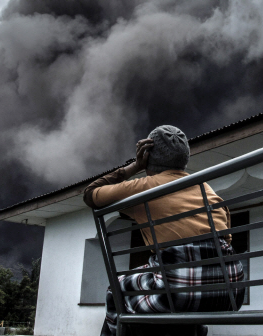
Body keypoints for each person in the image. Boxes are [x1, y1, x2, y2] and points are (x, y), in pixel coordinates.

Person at [84, 125, 245, 336]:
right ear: (184, 159)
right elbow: (227, 238)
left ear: (147, 155)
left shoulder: (144, 186)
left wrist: (134, 167)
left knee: (117, 290)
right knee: (174, 291)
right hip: (232, 291)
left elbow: (90, 195)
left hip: (178, 291)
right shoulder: (205, 188)